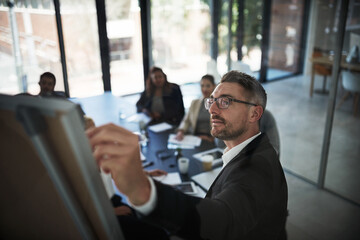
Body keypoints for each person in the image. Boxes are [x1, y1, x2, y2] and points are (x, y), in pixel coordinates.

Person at [87, 71, 288, 240]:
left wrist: (143, 189)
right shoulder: (243, 152)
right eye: (213, 101)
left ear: (254, 114)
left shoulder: (257, 168)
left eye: (225, 102)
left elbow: (220, 222)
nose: (213, 110)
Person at [175, 74, 216, 142]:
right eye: (202, 86)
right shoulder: (194, 103)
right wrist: (181, 131)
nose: (204, 89)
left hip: (210, 140)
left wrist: (212, 139)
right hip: (195, 138)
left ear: (214, 86)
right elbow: (186, 121)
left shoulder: (218, 105)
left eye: (208, 86)